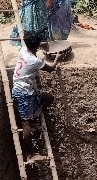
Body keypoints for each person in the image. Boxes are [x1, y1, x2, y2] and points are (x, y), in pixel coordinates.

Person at [11, 31, 60, 164]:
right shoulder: (35, 61)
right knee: (25, 123)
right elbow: (51, 69)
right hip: (24, 93)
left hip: (25, 90)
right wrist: (57, 58)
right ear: (37, 46)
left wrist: (41, 44)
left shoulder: (23, 50)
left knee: (49, 98)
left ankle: (32, 117)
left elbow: (33, 46)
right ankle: (30, 155)